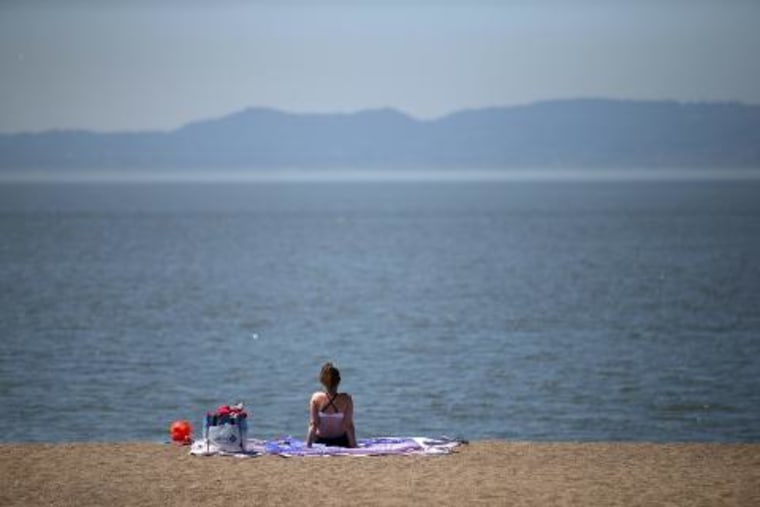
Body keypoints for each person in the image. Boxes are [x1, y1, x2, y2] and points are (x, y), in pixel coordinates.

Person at [306, 362, 356, 448]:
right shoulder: (347, 399)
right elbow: (348, 425)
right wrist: (353, 445)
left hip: (320, 441)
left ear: (322, 381)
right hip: (340, 441)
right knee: (350, 423)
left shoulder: (316, 398)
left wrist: (308, 446)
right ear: (339, 381)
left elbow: (313, 424)